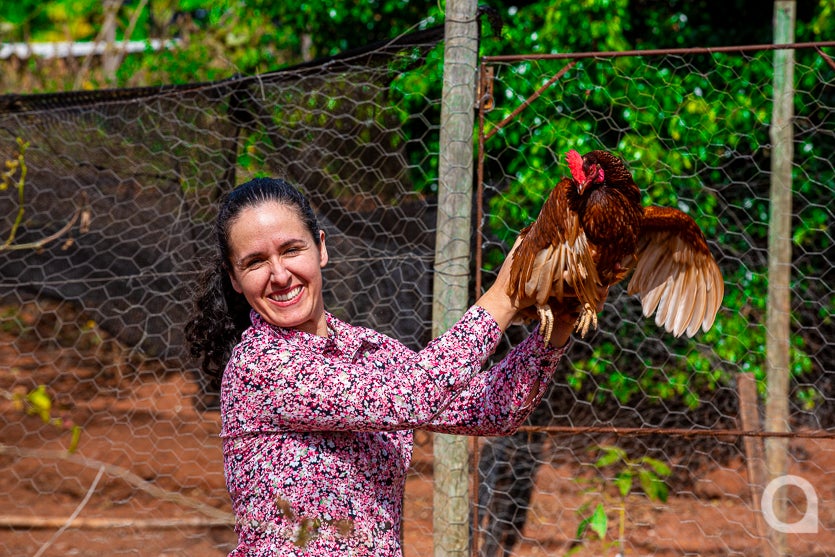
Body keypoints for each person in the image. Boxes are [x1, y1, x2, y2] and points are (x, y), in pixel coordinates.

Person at [186, 177, 603, 557]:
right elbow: (411, 397)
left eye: (292, 250)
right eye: (255, 262)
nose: (279, 274)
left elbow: (492, 410)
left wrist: (556, 330)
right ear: (235, 278)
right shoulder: (260, 363)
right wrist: (505, 296)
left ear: (321, 248)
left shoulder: (369, 349)